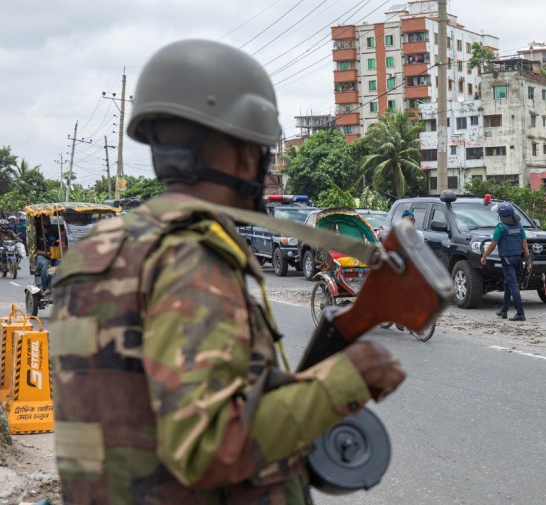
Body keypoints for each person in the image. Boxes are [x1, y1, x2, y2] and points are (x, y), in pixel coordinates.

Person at [50, 39, 406, 504]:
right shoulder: (188, 258)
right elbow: (206, 448)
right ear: (243, 154)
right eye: (264, 151)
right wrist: (345, 379)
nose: (266, 165)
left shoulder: (97, 249)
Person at [480, 202, 529, 322]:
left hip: (507, 261)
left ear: (501, 215)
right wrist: (528, 259)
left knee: (513, 286)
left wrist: (484, 257)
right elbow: (525, 244)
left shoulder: (500, 228)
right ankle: (504, 311)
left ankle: (520, 313)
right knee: (508, 284)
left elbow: (492, 245)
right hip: (518, 260)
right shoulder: (519, 226)